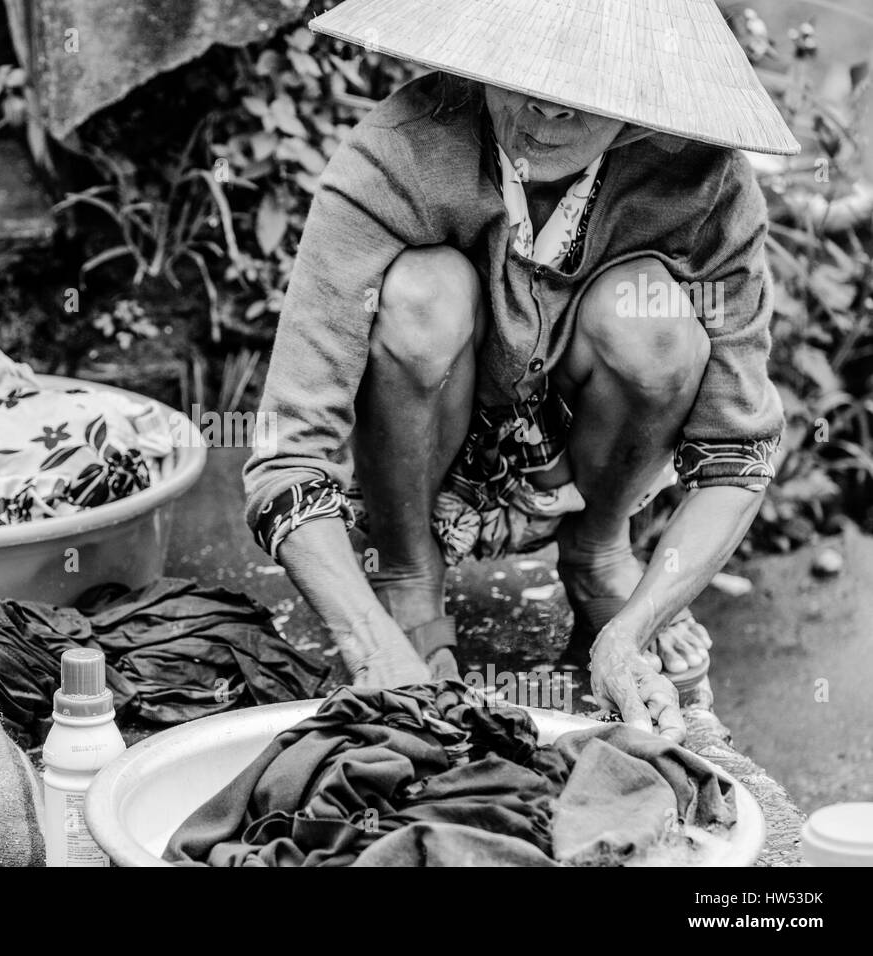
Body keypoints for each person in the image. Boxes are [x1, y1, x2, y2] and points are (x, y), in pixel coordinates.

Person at [243, 0, 800, 741]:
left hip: (579, 454)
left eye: (578, 103)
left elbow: (739, 452)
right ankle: (410, 575)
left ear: (636, 115)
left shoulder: (702, 184)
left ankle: (600, 555)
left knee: (653, 325)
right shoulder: (397, 153)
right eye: (523, 81)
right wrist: (373, 649)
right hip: (420, 450)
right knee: (422, 295)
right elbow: (286, 452)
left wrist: (634, 631)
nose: (541, 112)